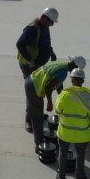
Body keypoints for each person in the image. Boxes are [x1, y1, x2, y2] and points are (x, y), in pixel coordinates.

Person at [28, 54, 85, 152]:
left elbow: (58, 83)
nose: (75, 75)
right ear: (74, 66)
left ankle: (30, 119)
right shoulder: (63, 72)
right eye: (76, 72)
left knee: (35, 108)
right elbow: (48, 87)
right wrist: (50, 102)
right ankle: (39, 145)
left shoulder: (62, 64)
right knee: (37, 117)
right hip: (33, 85)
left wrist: (61, 97)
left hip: (33, 79)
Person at [16, 8, 58, 136]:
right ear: (44, 18)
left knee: (36, 91)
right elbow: (19, 44)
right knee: (33, 92)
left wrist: (51, 52)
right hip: (30, 66)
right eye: (51, 22)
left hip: (39, 65)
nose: (52, 24)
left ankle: (36, 115)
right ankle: (29, 121)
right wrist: (30, 60)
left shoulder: (44, 27)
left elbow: (45, 41)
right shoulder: (32, 29)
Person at [53, 67, 90, 179]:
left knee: (63, 153)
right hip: (82, 134)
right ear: (82, 81)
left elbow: (57, 111)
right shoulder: (89, 97)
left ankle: (61, 177)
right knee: (80, 154)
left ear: (72, 80)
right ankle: (80, 178)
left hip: (65, 132)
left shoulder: (64, 95)